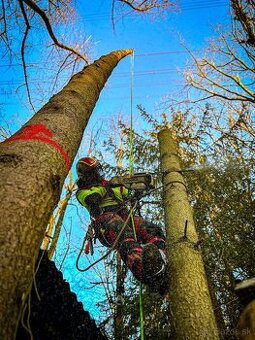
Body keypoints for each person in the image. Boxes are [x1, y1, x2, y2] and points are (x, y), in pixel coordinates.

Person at [76, 157, 168, 295]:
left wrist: (136, 189)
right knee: (121, 230)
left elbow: (129, 193)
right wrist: (107, 186)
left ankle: (161, 256)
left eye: (96, 171)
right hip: (105, 219)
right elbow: (92, 199)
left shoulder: (113, 186)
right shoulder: (82, 191)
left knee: (150, 228)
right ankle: (141, 267)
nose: (95, 174)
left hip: (125, 215)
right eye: (92, 172)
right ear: (85, 174)